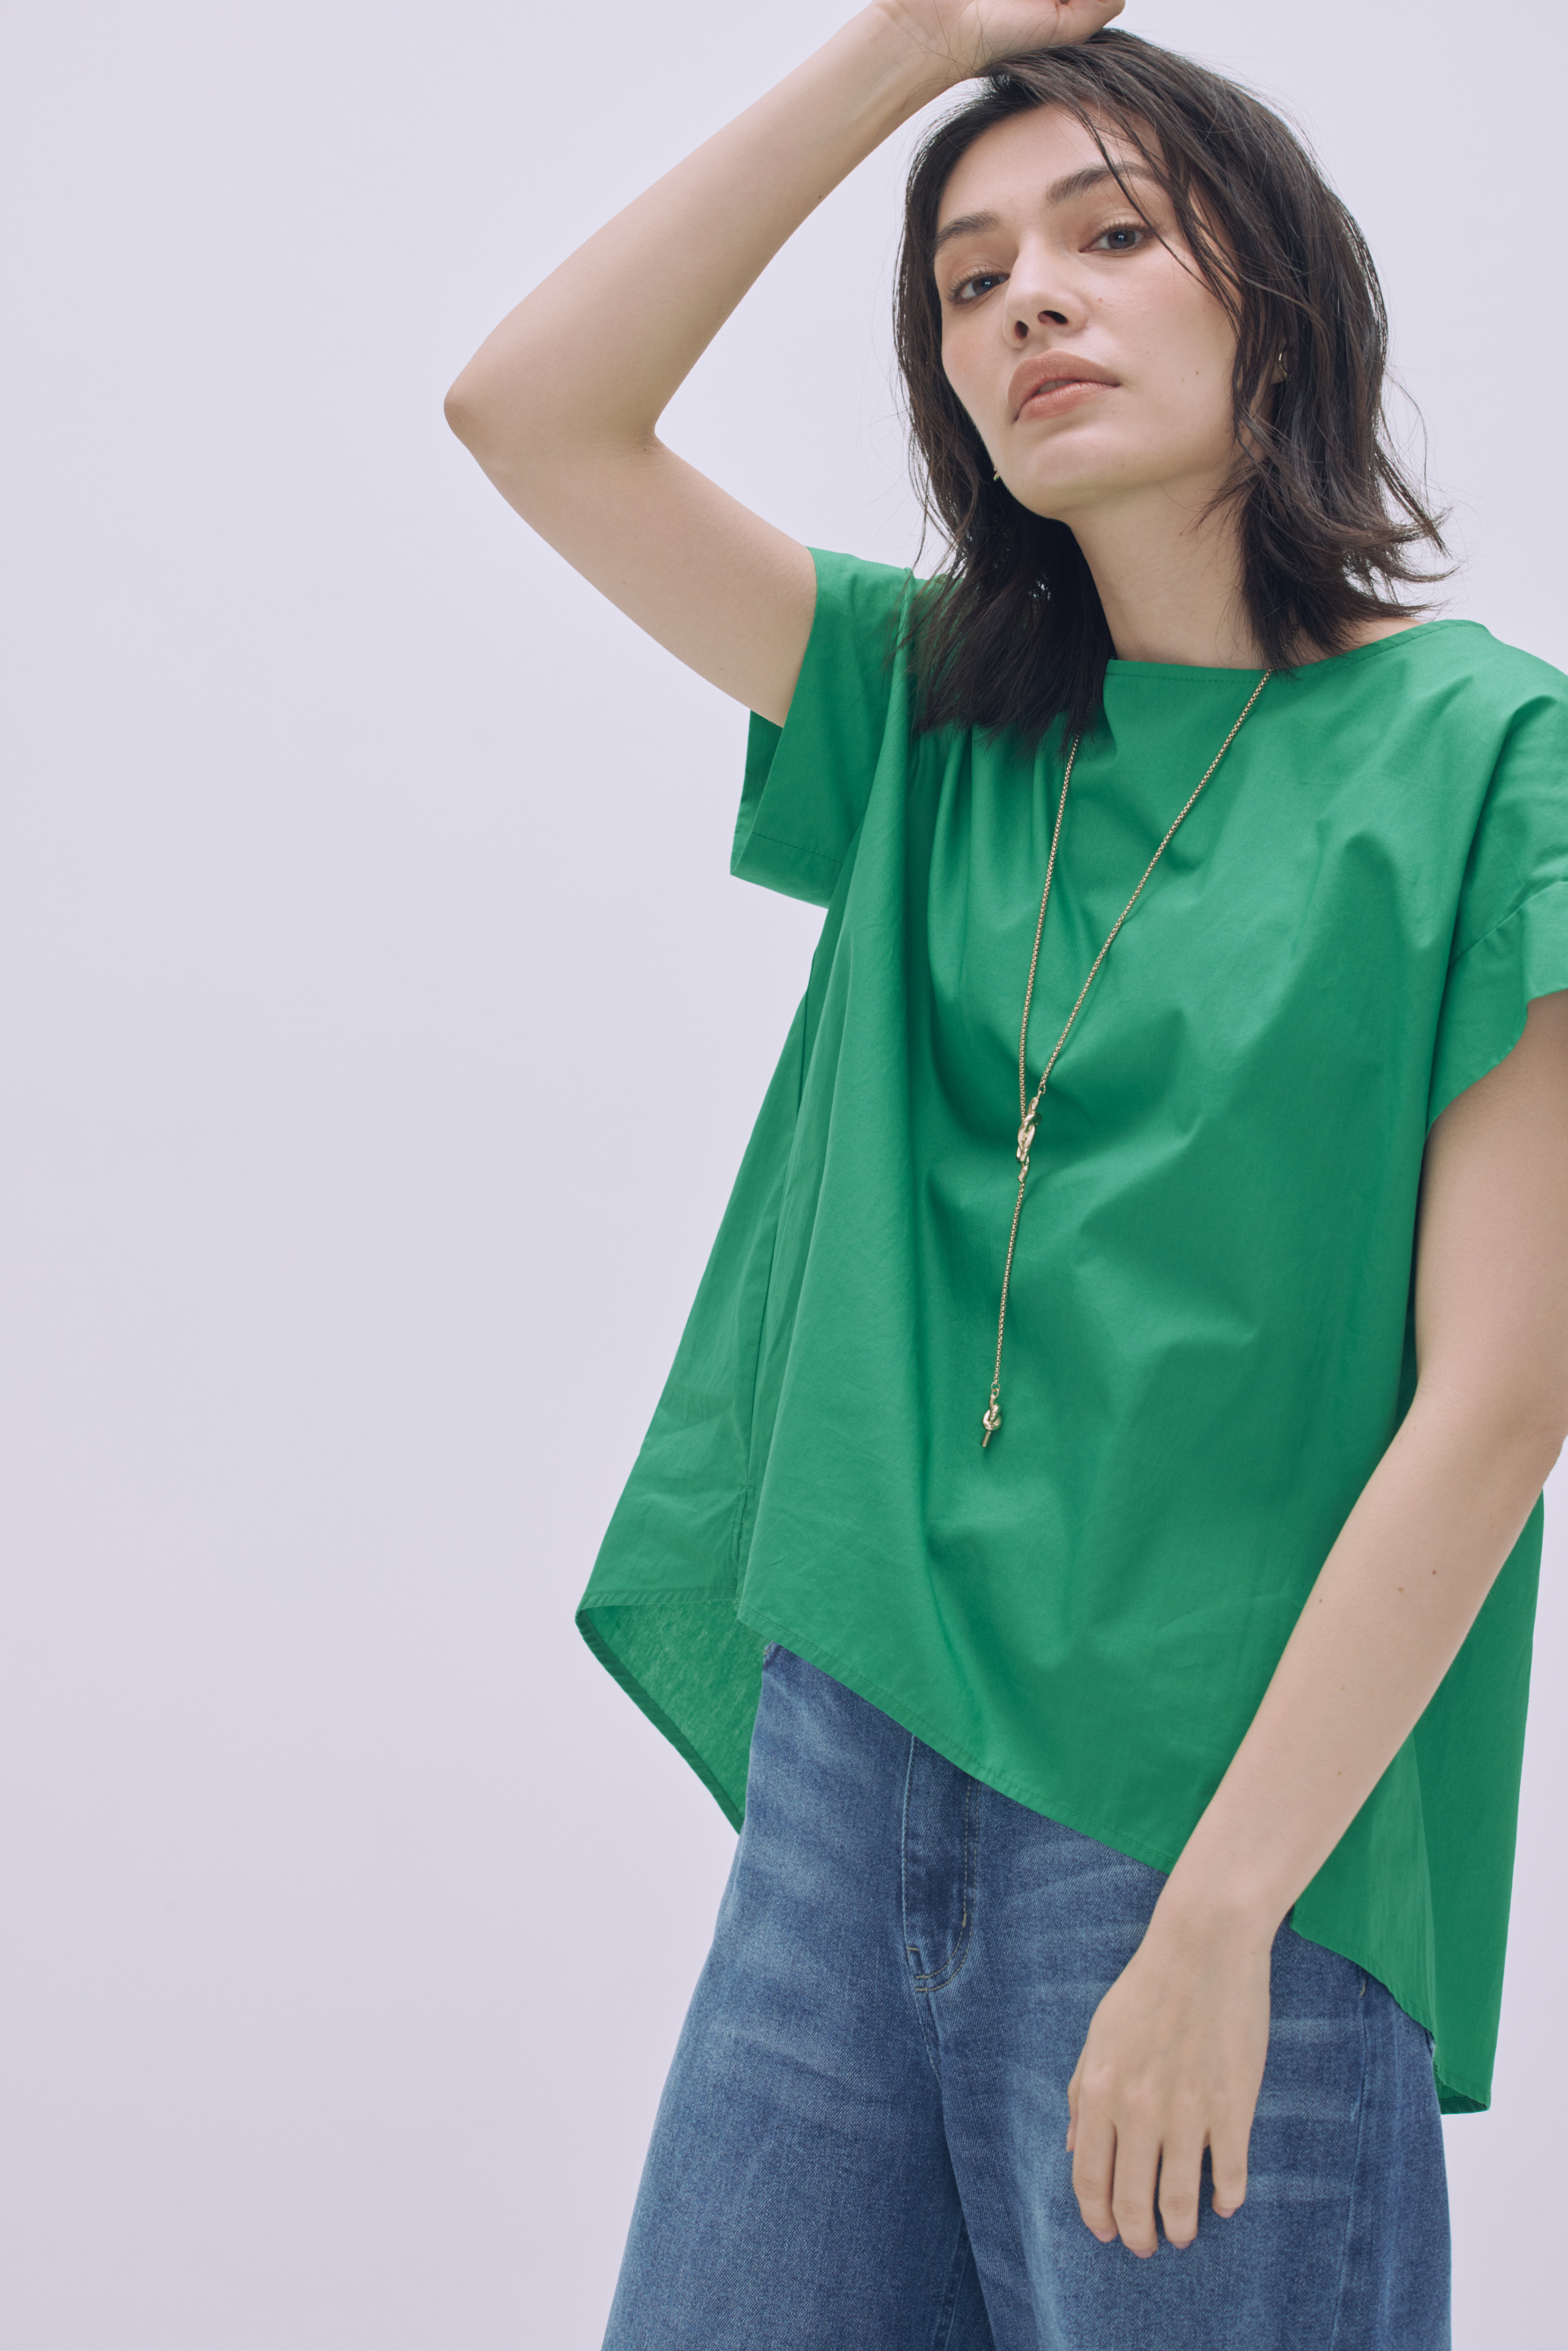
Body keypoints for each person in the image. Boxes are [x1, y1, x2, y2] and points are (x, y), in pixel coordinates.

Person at [446, 6, 1568, 2344]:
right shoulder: (927, 711)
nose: (1030, 299)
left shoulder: (1488, 756)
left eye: (1109, 236)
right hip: (845, 1800)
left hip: (1209, 1832)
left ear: (1279, 308)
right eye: (968, 284)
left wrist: (1223, 1920)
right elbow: (531, 413)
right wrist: (918, 42)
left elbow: (1500, 1397)